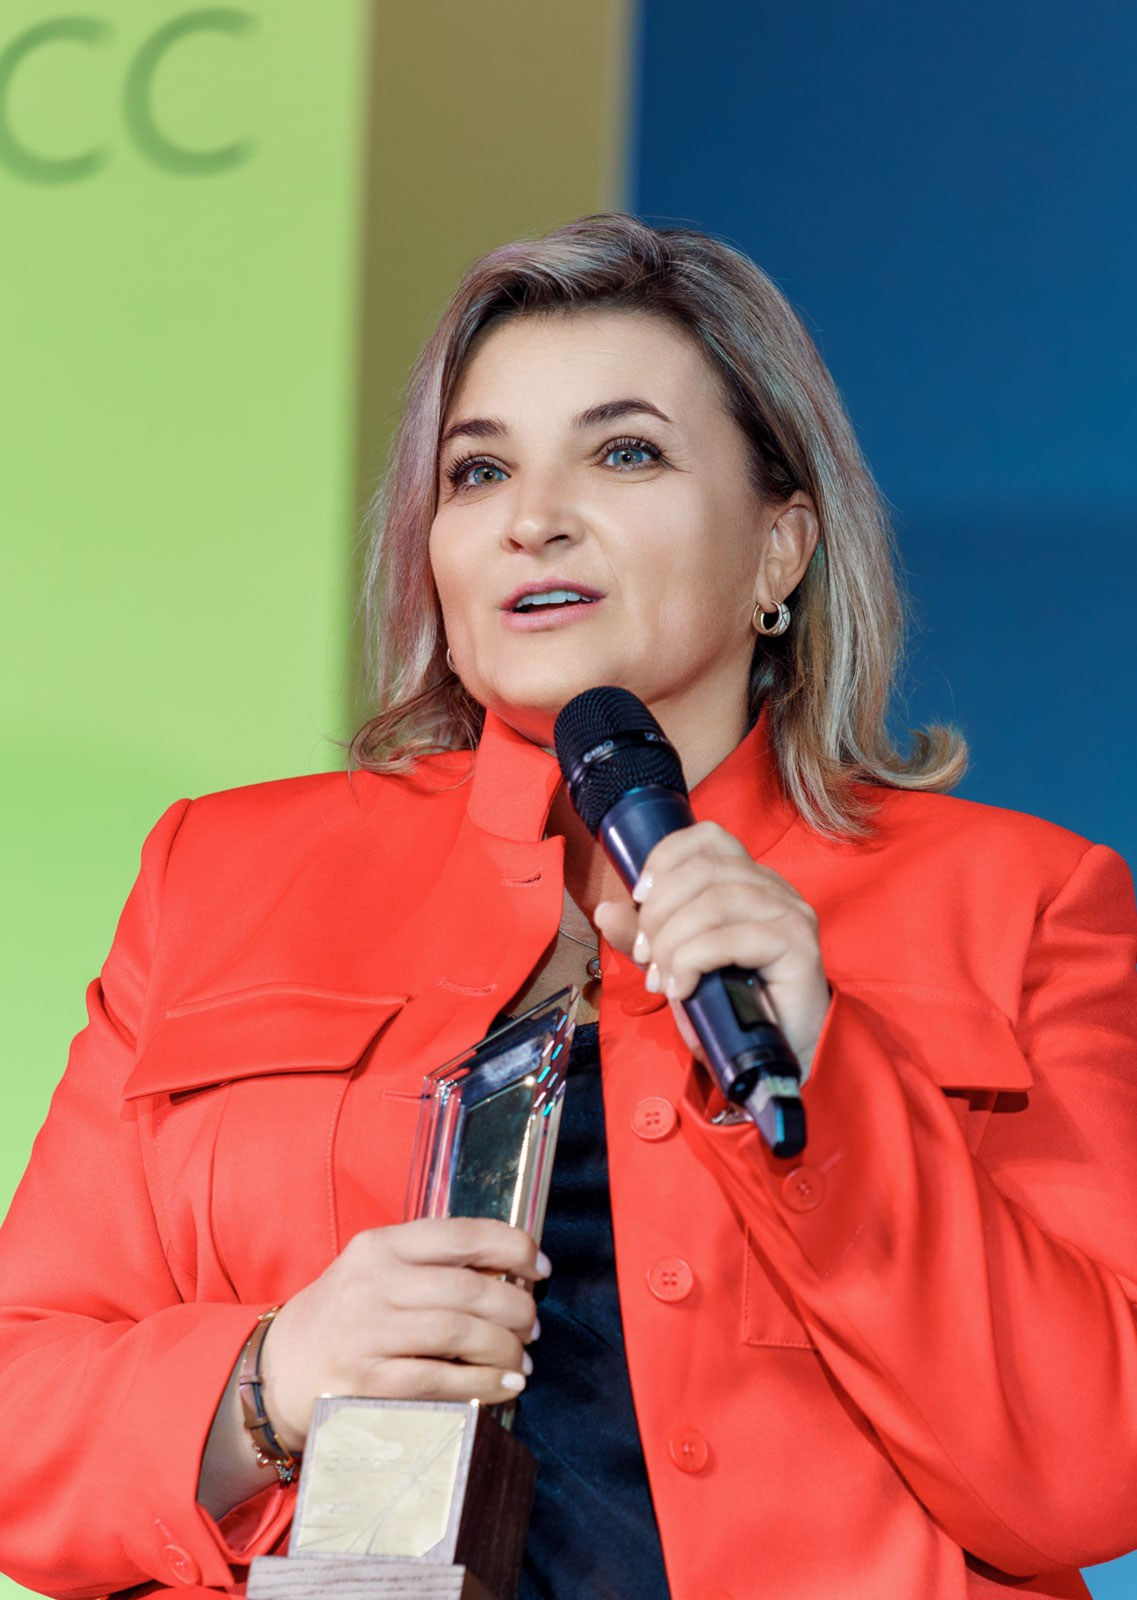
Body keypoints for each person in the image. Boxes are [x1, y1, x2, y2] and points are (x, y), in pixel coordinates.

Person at [1, 212, 1135, 1600]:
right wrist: (268, 1379)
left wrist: (834, 1084)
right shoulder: (221, 872)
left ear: (780, 549)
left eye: (625, 452)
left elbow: (1093, 1470)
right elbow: (19, 1407)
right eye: (478, 470)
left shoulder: (1019, 903)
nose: (530, 517)